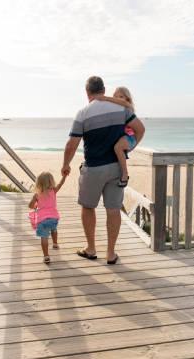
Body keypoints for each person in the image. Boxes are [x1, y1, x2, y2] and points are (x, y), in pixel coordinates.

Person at [62, 76, 145, 264]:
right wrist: (130, 147)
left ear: (87, 92)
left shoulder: (82, 113)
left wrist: (65, 164)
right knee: (113, 209)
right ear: (104, 89)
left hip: (93, 168)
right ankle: (110, 253)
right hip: (116, 167)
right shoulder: (122, 108)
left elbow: (72, 144)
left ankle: (91, 249)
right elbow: (140, 129)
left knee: (88, 206)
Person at [95, 86, 136, 187]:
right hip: (121, 136)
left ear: (127, 98)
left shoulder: (128, 107)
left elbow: (124, 103)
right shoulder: (115, 110)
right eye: (116, 96)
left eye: (121, 96)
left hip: (129, 136)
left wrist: (106, 98)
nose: (117, 99)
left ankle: (125, 174)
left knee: (117, 147)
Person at [28, 171, 67, 264]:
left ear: (38, 183)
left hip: (41, 220)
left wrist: (35, 202)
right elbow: (60, 184)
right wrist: (64, 176)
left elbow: (30, 206)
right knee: (53, 229)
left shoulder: (37, 195)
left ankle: (46, 256)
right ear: (51, 182)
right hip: (54, 218)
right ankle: (55, 244)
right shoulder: (53, 191)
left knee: (44, 237)